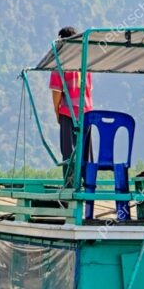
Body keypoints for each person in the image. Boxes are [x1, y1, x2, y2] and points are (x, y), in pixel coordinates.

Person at [49, 26, 92, 185]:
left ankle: (70, 184)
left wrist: (57, 112)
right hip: (87, 112)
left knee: (69, 151)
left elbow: (56, 92)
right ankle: (87, 182)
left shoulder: (60, 62)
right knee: (84, 150)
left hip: (68, 112)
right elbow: (89, 88)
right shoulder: (84, 62)